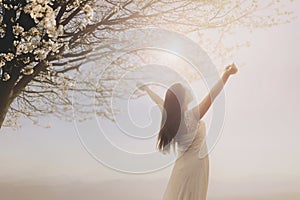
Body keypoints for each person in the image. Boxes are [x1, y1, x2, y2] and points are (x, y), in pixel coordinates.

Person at [138, 63, 238, 200]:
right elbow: (212, 95)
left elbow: (159, 101)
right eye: (185, 92)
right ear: (181, 99)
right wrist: (227, 74)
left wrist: (147, 90)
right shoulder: (191, 116)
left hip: (182, 166)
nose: (188, 92)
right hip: (195, 166)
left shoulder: (171, 118)